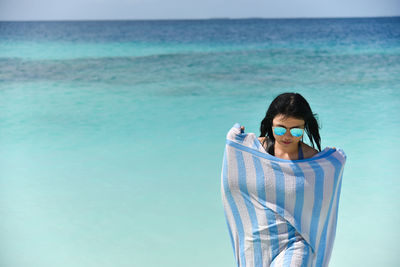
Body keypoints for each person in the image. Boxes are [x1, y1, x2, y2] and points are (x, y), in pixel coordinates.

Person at [221, 92, 345, 267]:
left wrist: (330, 161)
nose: (287, 136)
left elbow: (322, 199)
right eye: (280, 129)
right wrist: (235, 141)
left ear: (304, 127)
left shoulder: (312, 161)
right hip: (257, 241)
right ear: (270, 123)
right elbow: (233, 184)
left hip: (295, 242)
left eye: (295, 130)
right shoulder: (254, 152)